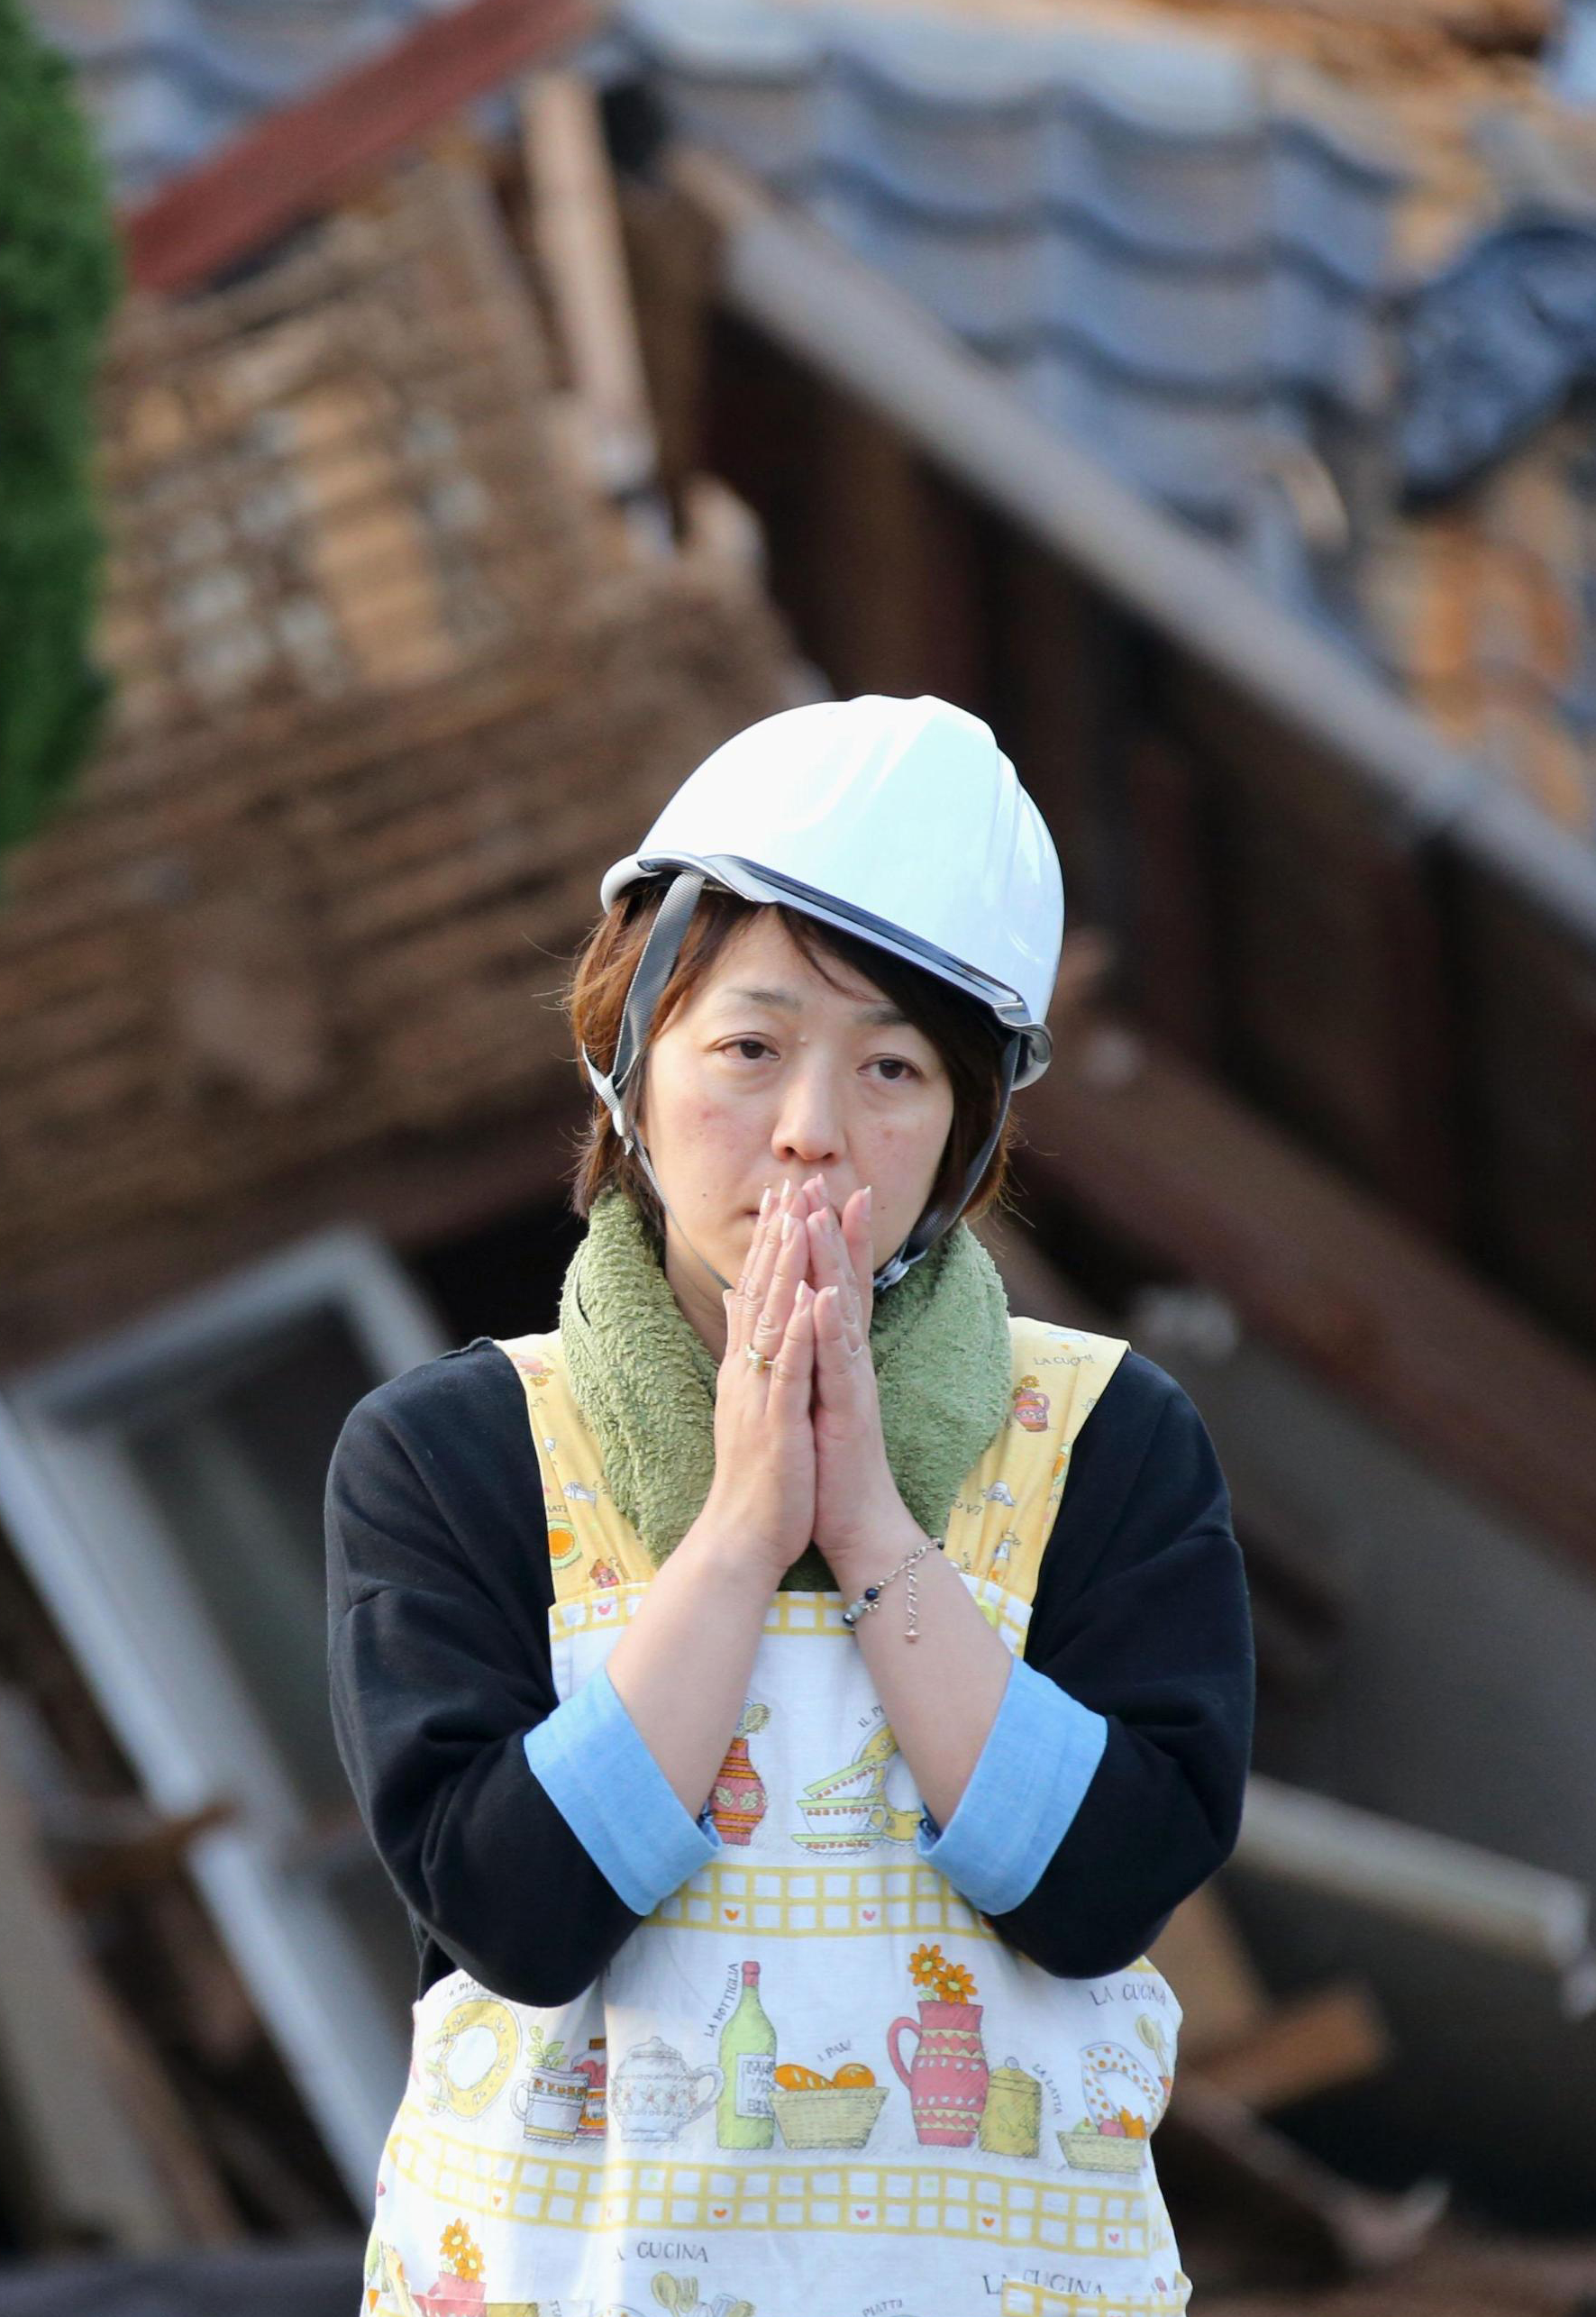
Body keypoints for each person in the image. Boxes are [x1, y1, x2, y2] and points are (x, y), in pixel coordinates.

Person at [324, 694, 1252, 2317]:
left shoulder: (1105, 1441)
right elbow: (515, 1914)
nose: (813, 1129)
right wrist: (745, 1532)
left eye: (892, 1063)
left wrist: (879, 1533)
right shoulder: (454, 1449)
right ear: (622, 1059)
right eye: (748, 1045)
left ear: (967, 1132)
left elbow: (1103, 1893)